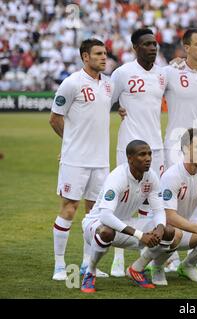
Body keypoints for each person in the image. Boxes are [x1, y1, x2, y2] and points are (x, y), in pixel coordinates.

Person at [49, 38, 113, 281]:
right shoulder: (71, 83)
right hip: (75, 160)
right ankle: (59, 265)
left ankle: (88, 263)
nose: (103, 57)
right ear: (85, 57)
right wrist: (69, 143)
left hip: (100, 161)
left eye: (105, 53)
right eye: (98, 54)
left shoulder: (108, 85)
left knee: (94, 213)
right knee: (69, 208)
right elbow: (55, 118)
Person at [80, 140, 175, 293]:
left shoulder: (151, 177)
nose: (148, 158)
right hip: (96, 224)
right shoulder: (117, 176)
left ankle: (137, 269)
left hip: (126, 223)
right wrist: (139, 235)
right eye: (142, 154)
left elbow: (159, 210)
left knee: (169, 232)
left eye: (149, 154)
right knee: (106, 232)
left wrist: (159, 227)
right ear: (130, 158)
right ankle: (90, 272)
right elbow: (105, 216)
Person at [110, 28, 168, 277]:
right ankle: (117, 256)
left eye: (154, 44)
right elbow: (107, 99)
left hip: (156, 146)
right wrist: (118, 108)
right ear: (135, 48)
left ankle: (147, 253)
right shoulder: (122, 73)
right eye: (146, 44)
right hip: (129, 146)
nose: (152, 48)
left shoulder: (163, 74)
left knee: (152, 199)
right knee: (123, 200)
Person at [163, 28, 197, 272]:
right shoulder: (170, 72)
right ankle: (169, 254)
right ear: (186, 48)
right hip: (177, 144)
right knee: (175, 201)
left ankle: (194, 255)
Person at [149, 128, 197, 285]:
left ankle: (188, 265)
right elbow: (169, 216)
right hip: (163, 231)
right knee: (175, 233)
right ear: (185, 148)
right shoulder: (172, 175)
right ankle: (157, 266)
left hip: (186, 230)